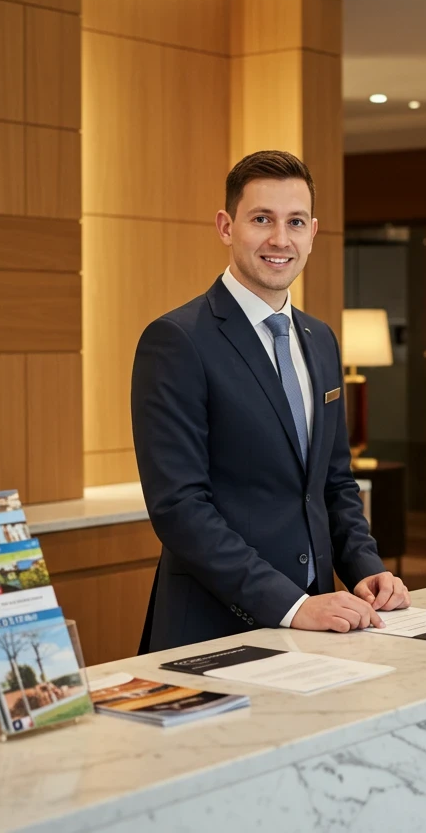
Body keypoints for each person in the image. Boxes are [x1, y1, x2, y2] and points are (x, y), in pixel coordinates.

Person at [132, 150, 410, 651]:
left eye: (295, 222)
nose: (280, 239)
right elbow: (179, 507)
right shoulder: (176, 340)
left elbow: (334, 481)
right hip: (214, 629)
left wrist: (366, 568)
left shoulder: (321, 339)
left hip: (321, 626)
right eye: (262, 219)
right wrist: (292, 605)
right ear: (226, 226)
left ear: (312, 233)